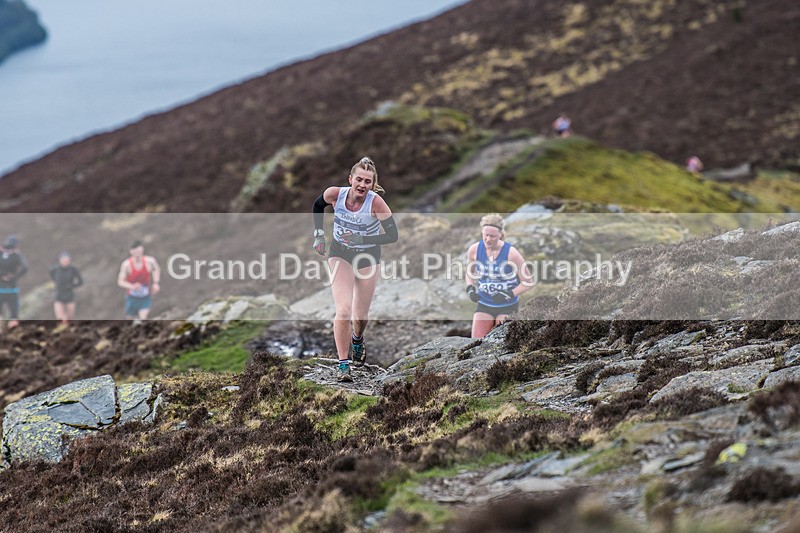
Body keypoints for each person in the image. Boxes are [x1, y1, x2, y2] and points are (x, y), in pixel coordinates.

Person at [312, 156, 399, 382]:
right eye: (359, 179)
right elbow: (317, 205)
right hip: (340, 254)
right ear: (350, 179)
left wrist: (361, 238)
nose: (362, 185)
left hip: (368, 258)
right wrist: (319, 234)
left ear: (373, 184)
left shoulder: (376, 203)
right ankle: (343, 364)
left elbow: (393, 235)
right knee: (343, 310)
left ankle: (357, 339)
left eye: (367, 182)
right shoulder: (335, 194)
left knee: (359, 316)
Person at [466, 214, 532, 338]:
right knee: (475, 343)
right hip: (484, 303)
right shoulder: (474, 250)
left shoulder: (511, 253)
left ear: (500, 234)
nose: (488, 239)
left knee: (501, 343)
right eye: (485, 235)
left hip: (507, 307)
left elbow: (528, 282)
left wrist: (509, 294)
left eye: (492, 236)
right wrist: (470, 288)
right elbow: (470, 273)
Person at [117, 240, 161, 321]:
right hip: (132, 298)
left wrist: (156, 283)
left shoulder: (150, 261)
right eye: (134, 250)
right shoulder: (126, 265)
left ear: (142, 250)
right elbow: (120, 281)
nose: (137, 253)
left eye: (138, 250)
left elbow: (156, 269)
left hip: (145, 297)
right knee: (130, 319)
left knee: (143, 318)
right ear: (131, 252)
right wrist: (132, 286)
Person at [0, 235, 28, 330]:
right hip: (12, 288)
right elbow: (25, 267)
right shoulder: (17, 256)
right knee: (14, 315)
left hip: (2, 287)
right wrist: (14, 276)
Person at [49, 251, 83, 325]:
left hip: (69, 294)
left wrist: (72, 286)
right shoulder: (54, 269)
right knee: (60, 318)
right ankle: (62, 328)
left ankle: (68, 328)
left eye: (67, 260)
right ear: (59, 260)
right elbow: (52, 277)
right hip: (59, 294)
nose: (65, 261)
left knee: (69, 317)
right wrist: (56, 284)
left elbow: (80, 281)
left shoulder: (73, 269)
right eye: (63, 259)